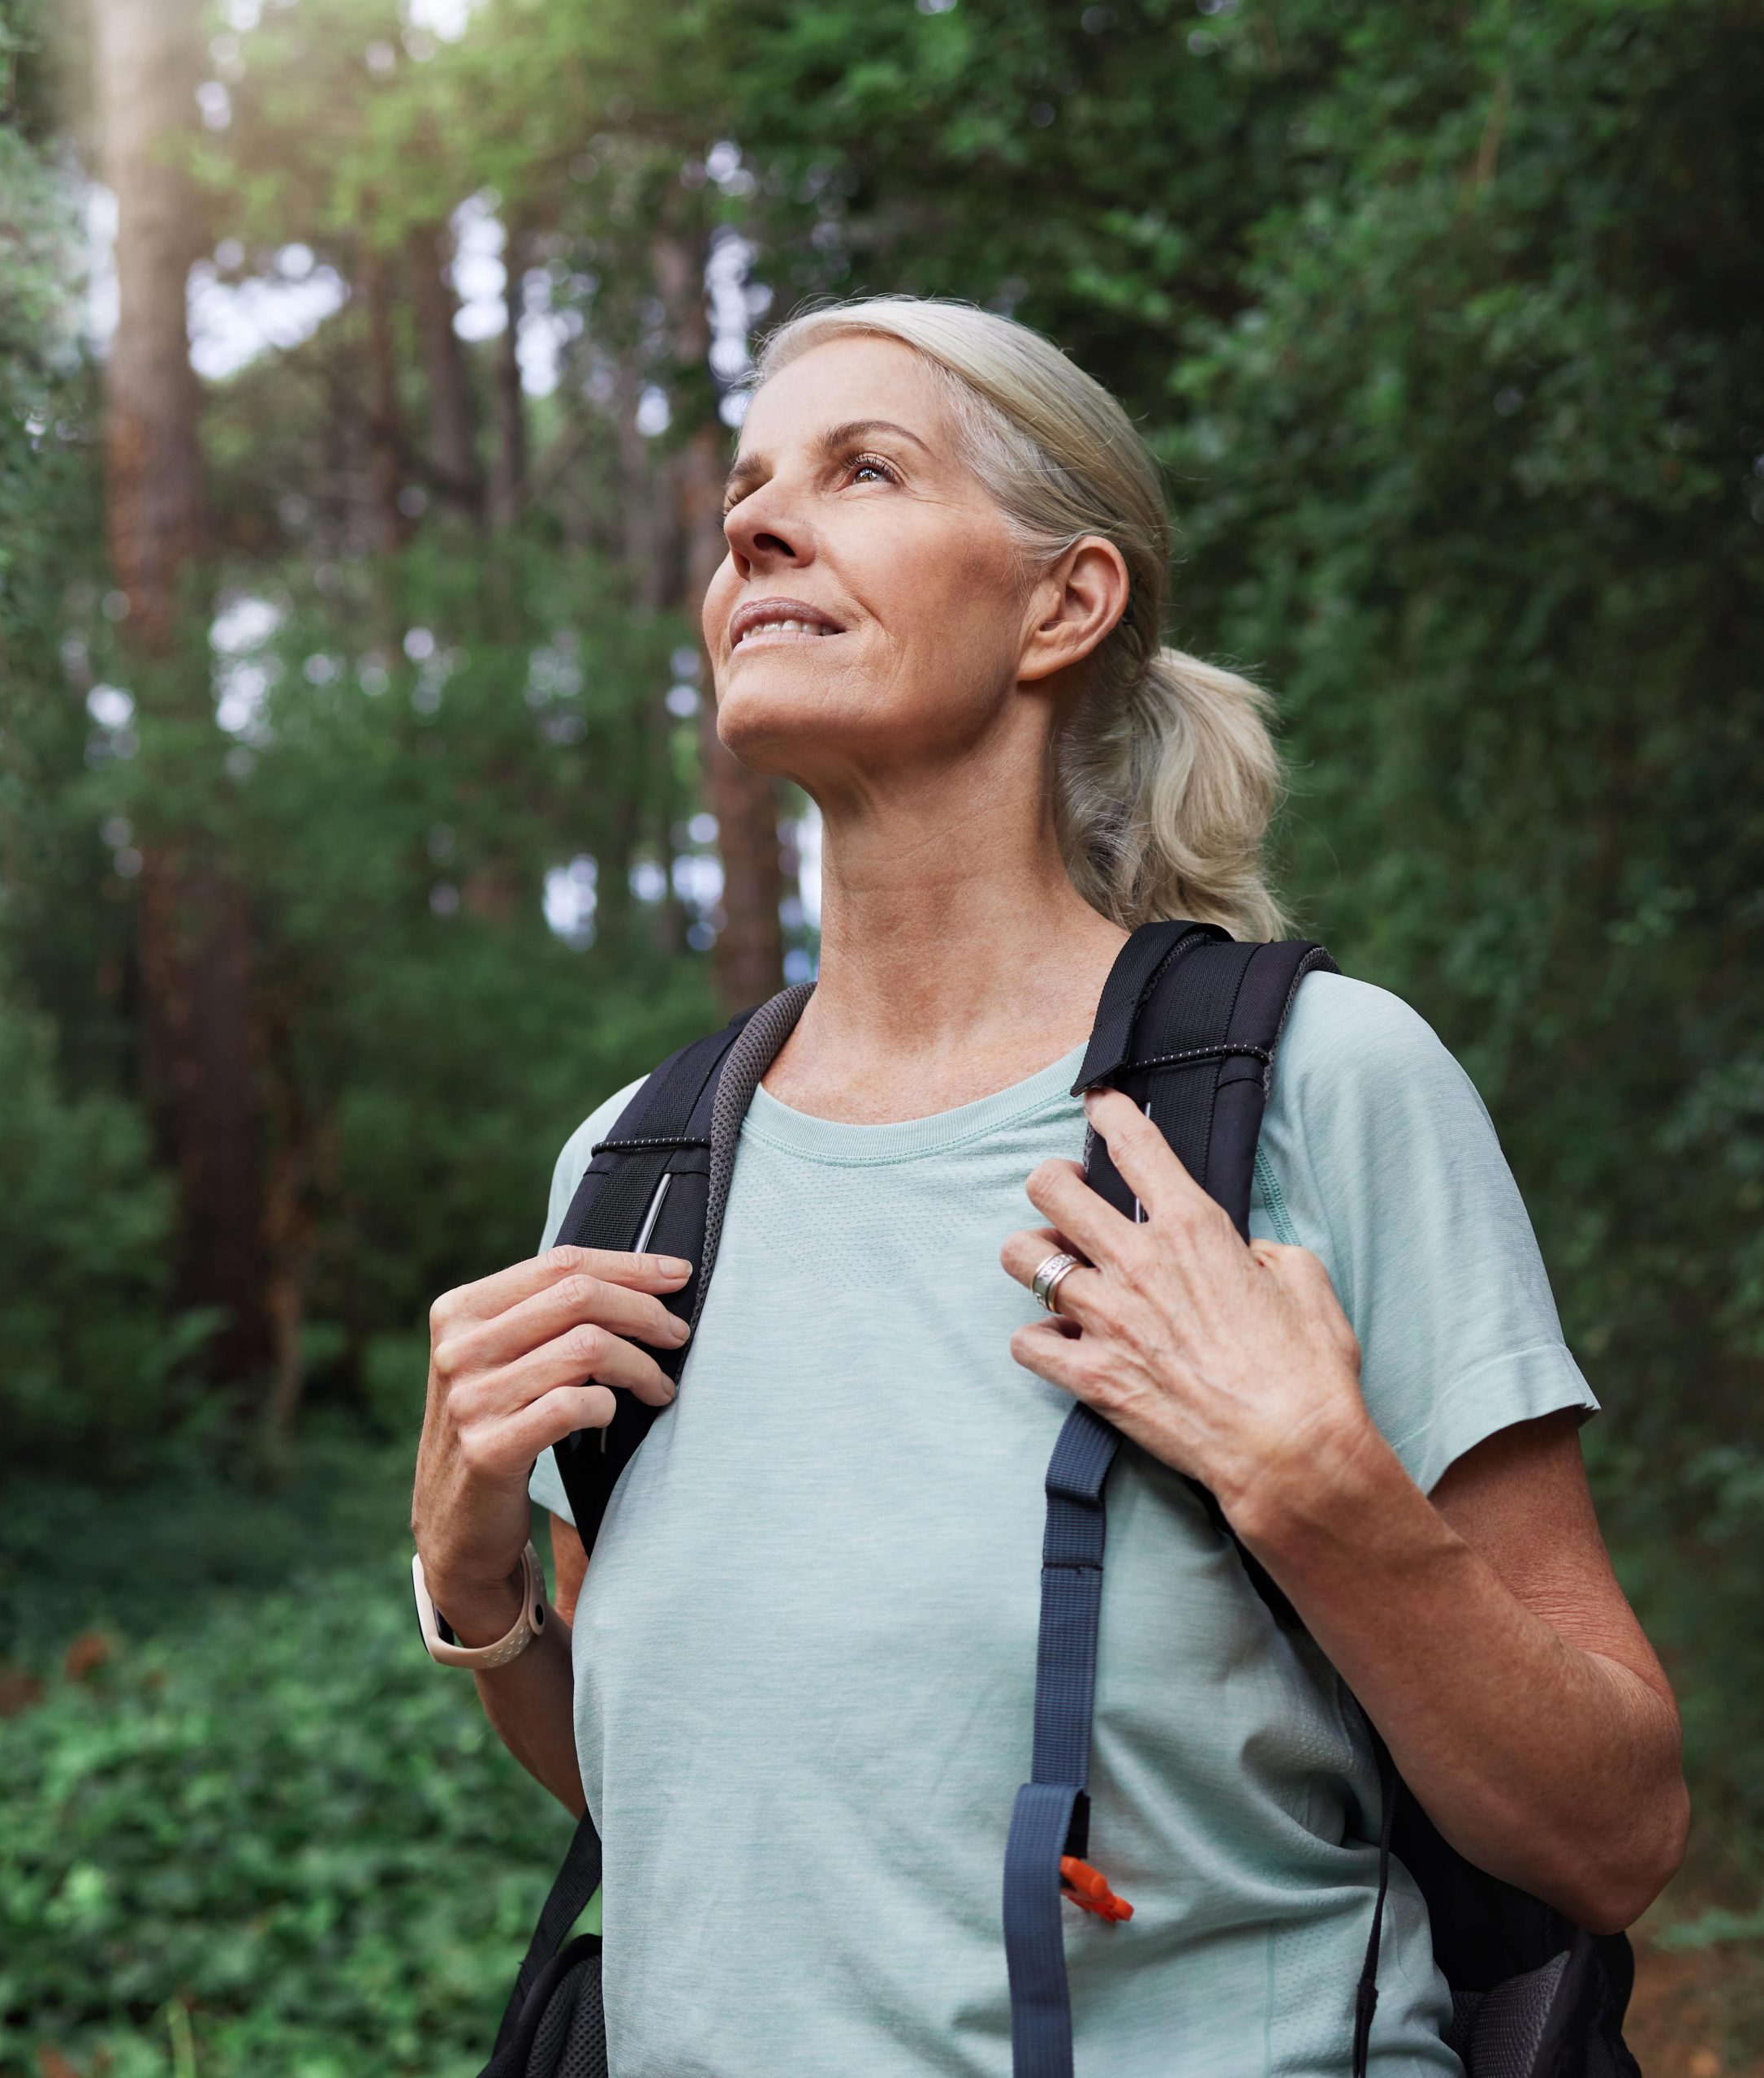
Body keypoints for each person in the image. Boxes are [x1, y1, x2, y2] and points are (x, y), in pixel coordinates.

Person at [411, 297, 1688, 2076]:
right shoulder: (638, 1166)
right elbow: (730, 1805)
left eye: (863, 469)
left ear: (1064, 603)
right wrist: (476, 1588)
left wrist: (1319, 1491)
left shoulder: (1316, 1086)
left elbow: (1613, 1832)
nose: (753, 525)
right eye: (748, 495)